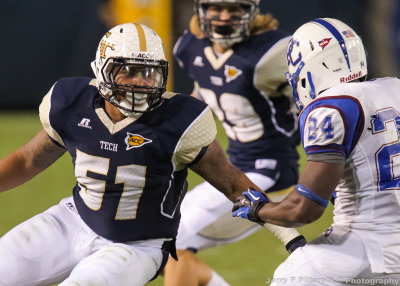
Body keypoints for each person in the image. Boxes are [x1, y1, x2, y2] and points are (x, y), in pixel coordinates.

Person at [0, 23, 263, 286]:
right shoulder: (71, 102)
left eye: (149, 72)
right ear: (102, 70)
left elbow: (230, 182)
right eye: (128, 71)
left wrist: (289, 236)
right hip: (73, 219)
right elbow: (28, 159)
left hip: (139, 245)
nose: (140, 82)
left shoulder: (181, 121)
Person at [233, 18, 400, 285]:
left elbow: (304, 209)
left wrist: (259, 209)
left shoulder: (331, 108)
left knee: (292, 276)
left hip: (369, 246)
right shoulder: (394, 87)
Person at [164, 1, 305, 285]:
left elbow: (317, 96)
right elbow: (204, 92)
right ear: (201, 10)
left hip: (270, 174)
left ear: (250, 12)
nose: (225, 16)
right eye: (217, 8)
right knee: (163, 235)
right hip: (235, 170)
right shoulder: (189, 47)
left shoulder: (271, 53)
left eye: (235, 9)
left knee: (174, 239)